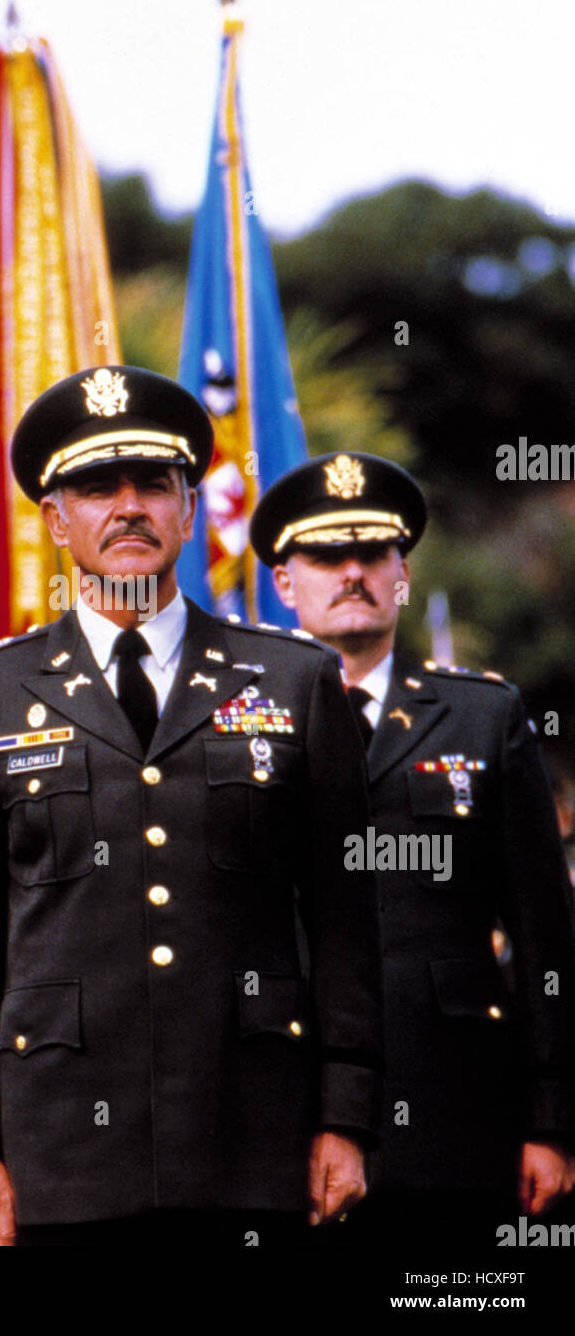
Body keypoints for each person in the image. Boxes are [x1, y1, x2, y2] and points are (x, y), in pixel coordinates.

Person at [0, 365, 383, 1246]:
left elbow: (343, 923)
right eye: (98, 487)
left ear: (187, 507)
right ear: (57, 519)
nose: (127, 507)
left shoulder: (294, 679)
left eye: (152, 484)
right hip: (56, 1150)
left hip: (253, 1138)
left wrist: (346, 1117)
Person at [251, 451, 575, 1246]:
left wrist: (554, 1119)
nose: (351, 573)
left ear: (401, 574)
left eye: (371, 555)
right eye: (326, 556)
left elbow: (543, 935)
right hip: (280, 1117)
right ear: (284, 583)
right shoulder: (234, 724)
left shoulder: (483, 718)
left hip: (453, 1112)